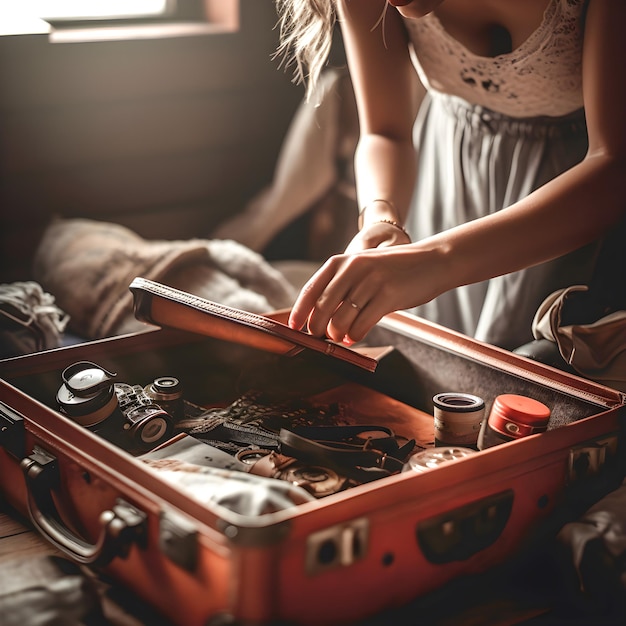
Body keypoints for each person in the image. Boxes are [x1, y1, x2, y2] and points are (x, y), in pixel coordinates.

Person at [275, 0, 626, 351]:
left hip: (569, 208)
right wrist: (381, 219)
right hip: (445, 180)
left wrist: (439, 260)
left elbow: (612, 164)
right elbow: (385, 132)